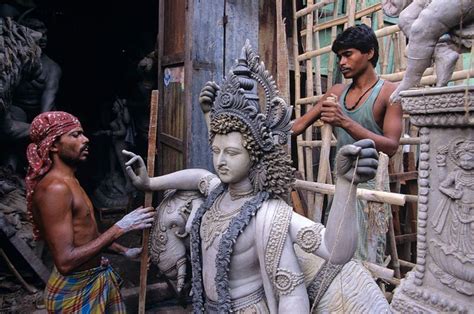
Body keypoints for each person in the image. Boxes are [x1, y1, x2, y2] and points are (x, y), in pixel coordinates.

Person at [123, 42, 380, 313]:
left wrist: (344, 184)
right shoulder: (217, 194)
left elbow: (334, 252)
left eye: (231, 153)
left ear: (255, 155)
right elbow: (197, 176)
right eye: (216, 151)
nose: (220, 160)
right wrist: (149, 182)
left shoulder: (270, 217)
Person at [292, 24, 403, 264]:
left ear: (369, 53)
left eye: (348, 54)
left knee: (365, 260)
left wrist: (345, 122)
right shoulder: (337, 92)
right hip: (342, 184)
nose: (341, 62)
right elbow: (298, 126)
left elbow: (391, 146)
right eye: (339, 56)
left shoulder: (389, 93)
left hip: (371, 188)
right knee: (337, 254)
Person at [26, 111, 154, 313]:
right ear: (53, 145)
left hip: (93, 279)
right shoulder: (55, 189)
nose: (85, 140)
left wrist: (124, 251)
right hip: (74, 292)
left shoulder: (71, 181)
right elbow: (65, 262)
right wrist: (120, 227)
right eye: (75, 135)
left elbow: (84, 236)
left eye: (82, 134)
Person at [14, 18, 62, 122]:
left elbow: (49, 95)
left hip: (41, 110)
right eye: (39, 35)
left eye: (45, 35)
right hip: (17, 109)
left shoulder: (52, 67)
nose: (43, 39)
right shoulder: (13, 61)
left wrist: (42, 120)